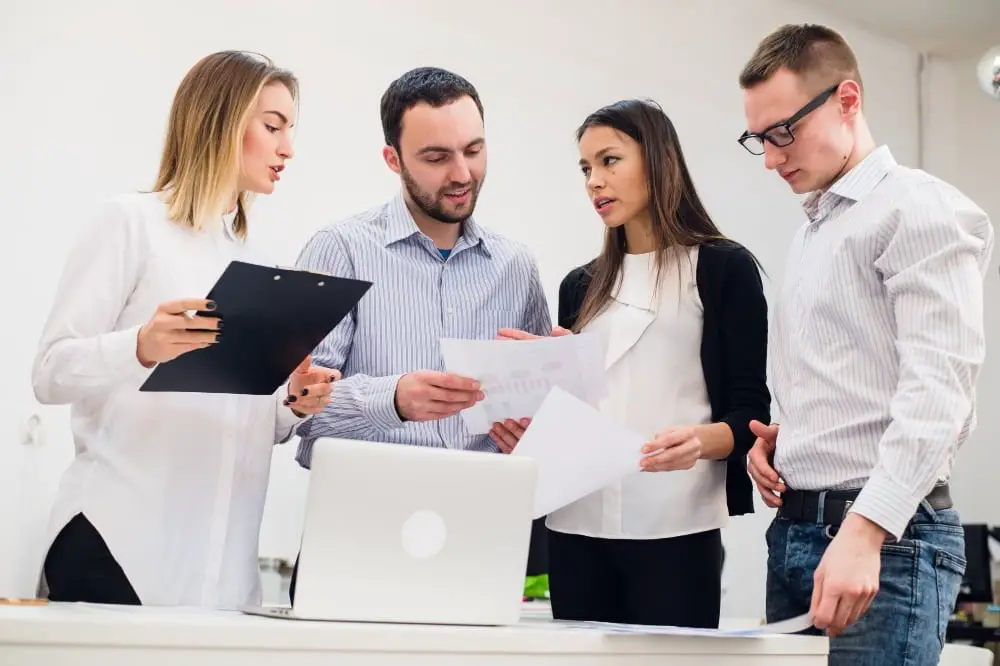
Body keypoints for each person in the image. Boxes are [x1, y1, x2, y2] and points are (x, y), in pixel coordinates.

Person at [31, 51, 339, 609]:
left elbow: (236, 419)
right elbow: (49, 374)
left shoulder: (257, 261)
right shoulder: (129, 223)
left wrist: (291, 404)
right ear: (222, 121)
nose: (287, 148)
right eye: (272, 127)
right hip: (117, 547)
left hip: (218, 568)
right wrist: (140, 346)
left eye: (290, 130)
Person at [738, 24, 994, 664]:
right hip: (795, 531)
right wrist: (788, 444)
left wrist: (867, 528)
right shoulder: (813, 233)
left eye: (783, 132)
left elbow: (939, 395)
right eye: (759, 139)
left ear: (847, 100)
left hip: (887, 538)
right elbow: (853, 378)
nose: (771, 157)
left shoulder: (920, 210)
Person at [497, 98, 770, 628]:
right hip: (576, 524)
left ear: (657, 160)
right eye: (585, 168)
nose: (594, 181)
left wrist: (700, 440)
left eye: (609, 160)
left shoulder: (722, 268)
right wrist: (532, 397)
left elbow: (750, 411)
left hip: (677, 523)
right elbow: (577, 410)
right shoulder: (580, 285)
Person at [288, 66, 554, 600]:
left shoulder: (517, 266)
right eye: (437, 157)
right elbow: (294, 403)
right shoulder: (339, 250)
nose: (462, 173)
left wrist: (548, 409)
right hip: (356, 536)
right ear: (393, 160)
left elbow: (539, 420)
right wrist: (393, 398)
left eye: (474, 150)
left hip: (480, 542)